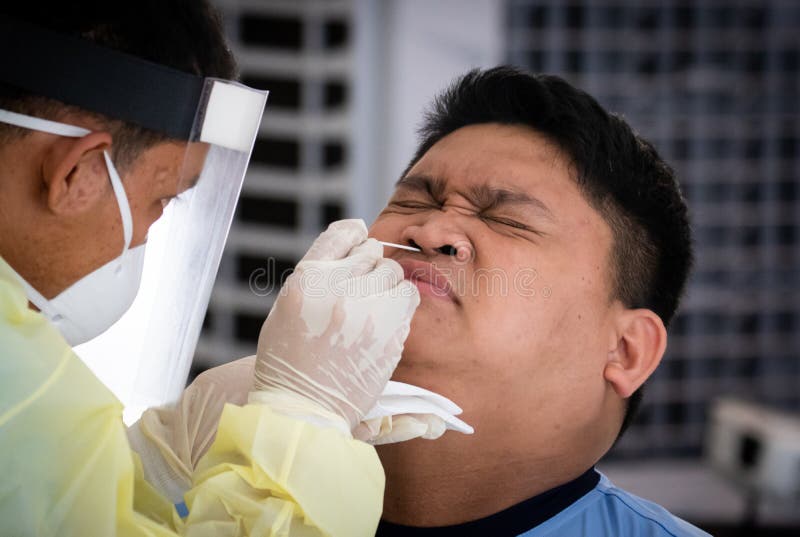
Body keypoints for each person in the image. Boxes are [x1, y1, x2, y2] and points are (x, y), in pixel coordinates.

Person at [0, 3, 425, 536]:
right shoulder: (19, 388)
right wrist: (303, 428)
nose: (436, 236)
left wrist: (155, 465)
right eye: (161, 200)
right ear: (77, 172)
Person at [367, 67, 709, 536]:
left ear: (626, 351)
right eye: (412, 202)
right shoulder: (243, 489)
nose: (430, 232)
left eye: (506, 219)